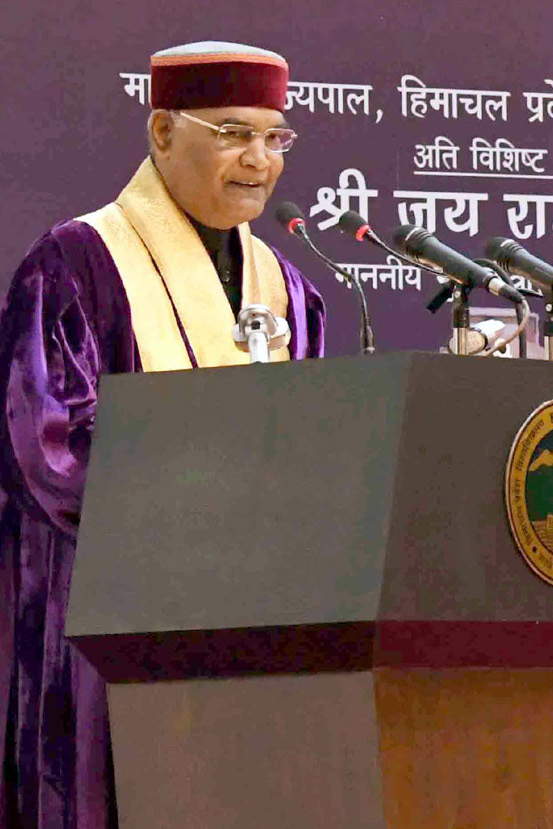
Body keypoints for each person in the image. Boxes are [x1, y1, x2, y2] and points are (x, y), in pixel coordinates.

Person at [0, 41, 326, 828]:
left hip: (252, 626)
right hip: (102, 633)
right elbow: (48, 451)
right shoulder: (75, 265)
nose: (258, 160)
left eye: (274, 137)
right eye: (233, 133)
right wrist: (211, 504)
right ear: (162, 131)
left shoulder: (288, 289)